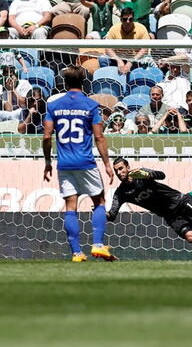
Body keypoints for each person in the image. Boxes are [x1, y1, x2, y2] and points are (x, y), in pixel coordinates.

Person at [42, 66, 115, 262]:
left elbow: (47, 136)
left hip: (64, 164)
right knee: (99, 201)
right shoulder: (91, 105)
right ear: (84, 81)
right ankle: (98, 245)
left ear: (65, 82)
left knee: (70, 207)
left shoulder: (54, 106)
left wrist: (48, 161)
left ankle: (76, 253)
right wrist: (107, 164)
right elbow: (99, 137)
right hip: (86, 162)